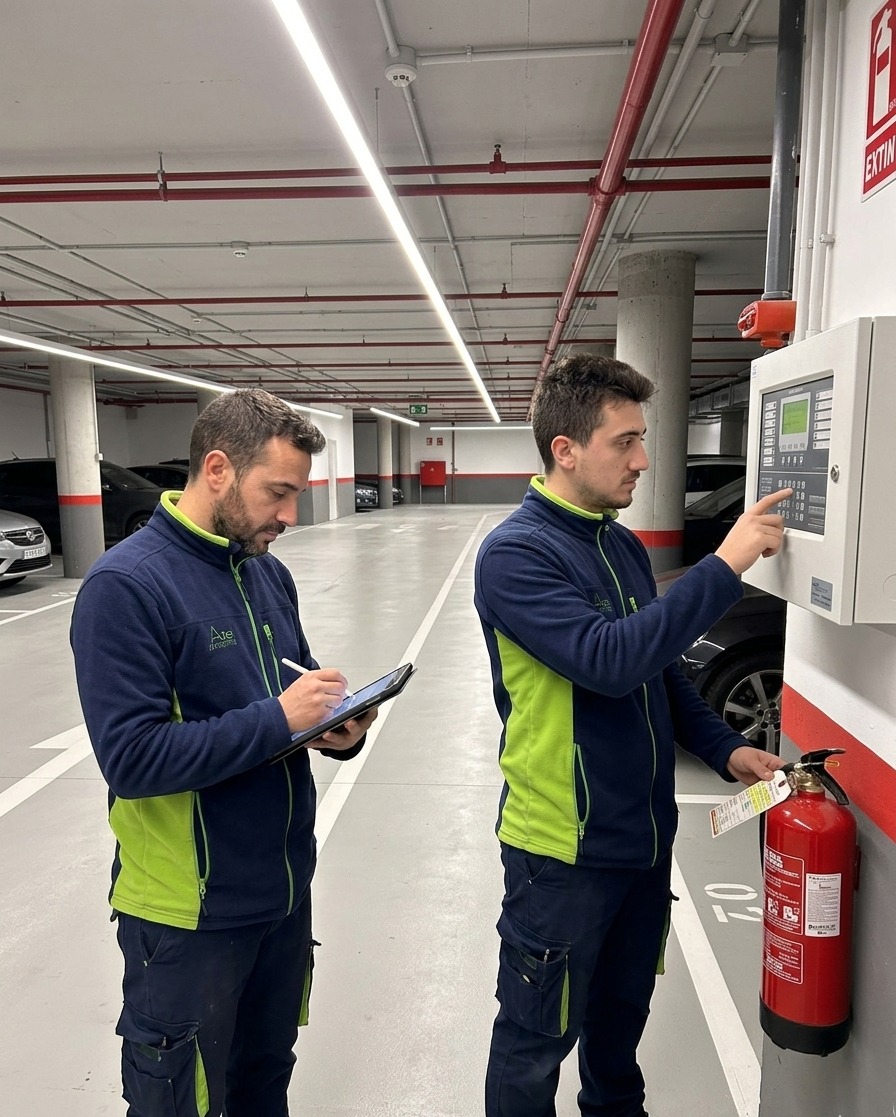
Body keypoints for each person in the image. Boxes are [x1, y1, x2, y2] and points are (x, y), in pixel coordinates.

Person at [473, 353, 791, 1117]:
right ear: (566, 449)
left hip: (642, 843)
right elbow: (609, 663)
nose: (644, 460)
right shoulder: (516, 554)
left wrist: (724, 746)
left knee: (619, 1033)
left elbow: (660, 669)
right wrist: (726, 564)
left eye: (642, 438)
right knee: (533, 1041)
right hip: (562, 851)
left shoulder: (617, 545)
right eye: (625, 441)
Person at [70, 388, 377, 1117]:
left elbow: (287, 695)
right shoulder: (126, 587)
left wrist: (331, 726)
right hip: (187, 917)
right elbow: (133, 758)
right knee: (182, 1100)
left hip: (277, 895)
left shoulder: (265, 572)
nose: (289, 515)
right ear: (216, 469)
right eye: (277, 492)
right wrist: (277, 720)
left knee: (262, 1083)